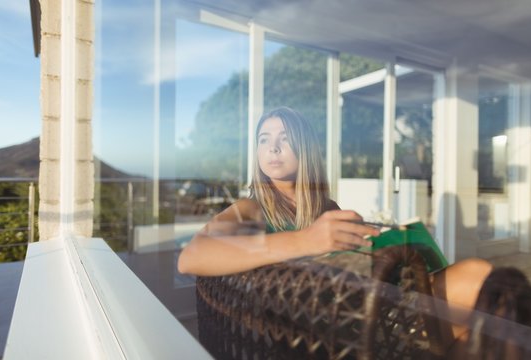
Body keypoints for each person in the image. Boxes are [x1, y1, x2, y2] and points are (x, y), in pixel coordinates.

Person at [178, 106, 492, 342]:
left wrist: (371, 247)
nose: (272, 148)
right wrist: (306, 241)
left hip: (369, 308)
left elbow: (349, 270)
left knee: (479, 292)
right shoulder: (250, 209)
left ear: (306, 149)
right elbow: (190, 257)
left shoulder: (327, 208)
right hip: (329, 335)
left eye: (284, 140)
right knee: (476, 289)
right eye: (264, 140)